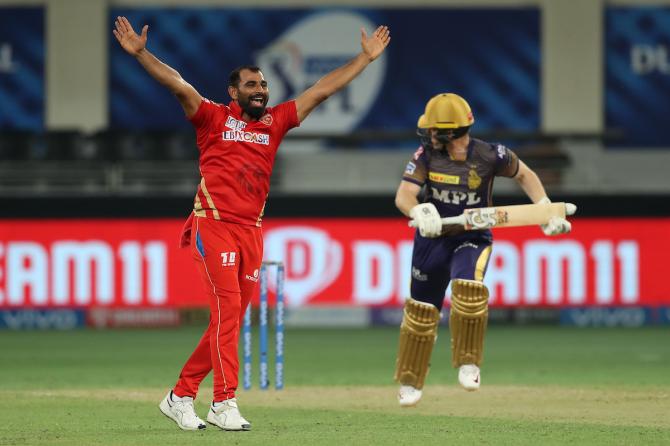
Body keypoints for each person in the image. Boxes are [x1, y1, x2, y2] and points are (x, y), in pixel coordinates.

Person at [113, 16, 390, 431]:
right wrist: (140, 54)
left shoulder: (275, 122)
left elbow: (322, 89)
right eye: (251, 86)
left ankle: (180, 396)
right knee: (227, 313)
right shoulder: (212, 118)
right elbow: (178, 84)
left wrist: (364, 60)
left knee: (230, 319)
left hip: (252, 231)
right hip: (214, 225)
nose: (260, 91)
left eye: (263, 85)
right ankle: (223, 403)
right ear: (233, 92)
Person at [393, 93, 571, 407]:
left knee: (469, 289)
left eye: (434, 129)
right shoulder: (425, 155)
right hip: (432, 238)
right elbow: (405, 194)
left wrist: (544, 208)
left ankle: (469, 361)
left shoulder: (492, 155)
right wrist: (418, 212)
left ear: (450, 131)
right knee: (421, 312)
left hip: (472, 236)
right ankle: (410, 380)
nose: (429, 134)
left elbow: (525, 175)